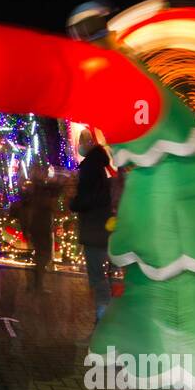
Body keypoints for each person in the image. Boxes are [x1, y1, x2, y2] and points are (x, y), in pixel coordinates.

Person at [69, 130, 113, 322]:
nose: (80, 145)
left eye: (82, 141)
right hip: (102, 228)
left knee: (98, 278)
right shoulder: (100, 166)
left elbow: (87, 200)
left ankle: (104, 322)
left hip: (93, 230)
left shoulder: (89, 168)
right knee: (103, 276)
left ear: (89, 143)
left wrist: (73, 201)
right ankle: (105, 319)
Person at [13, 169, 58, 290]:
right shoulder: (40, 190)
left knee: (41, 255)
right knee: (44, 255)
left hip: (37, 226)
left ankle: (36, 283)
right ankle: (37, 284)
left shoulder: (33, 189)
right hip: (40, 226)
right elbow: (45, 204)